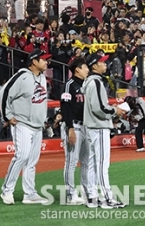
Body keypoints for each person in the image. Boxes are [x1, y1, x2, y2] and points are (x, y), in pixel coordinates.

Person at [0, 49, 51, 205]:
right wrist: (7, 116)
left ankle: (30, 194)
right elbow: (4, 92)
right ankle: (7, 190)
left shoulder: (42, 77)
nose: (46, 62)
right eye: (43, 59)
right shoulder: (22, 76)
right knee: (21, 155)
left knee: (32, 161)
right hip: (22, 123)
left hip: (37, 125)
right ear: (34, 61)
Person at [82, 53, 126, 209]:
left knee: (94, 164)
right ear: (94, 66)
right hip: (99, 126)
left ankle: (93, 197)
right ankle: (107, 198)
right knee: (102, 164)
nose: (105, 64)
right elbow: (99, 108)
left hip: (92, 127)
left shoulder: (90, 82)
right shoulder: (96, 82)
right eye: (102, 62)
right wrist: (115, 111)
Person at [60, 56, 90, 205]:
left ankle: (86, 192)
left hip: (86, 126)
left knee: (86, 162)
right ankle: (71, 195)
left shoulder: (87, 84)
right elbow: (65, 107)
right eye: (85, 67)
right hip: (75, 126)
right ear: (77, 69)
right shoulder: (69, 85)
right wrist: (70, 128)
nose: (88, 69)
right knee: (72, 162)